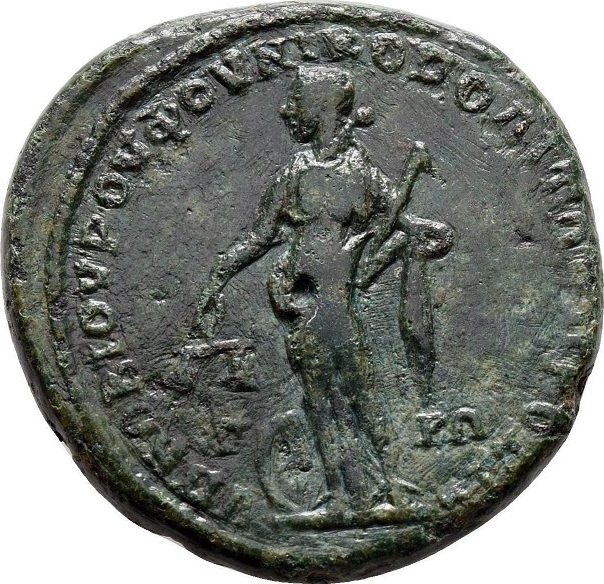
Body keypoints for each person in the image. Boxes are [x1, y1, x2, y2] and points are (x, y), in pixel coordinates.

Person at [192, 65, 452, 512]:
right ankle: (345, 496)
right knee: (323, 400)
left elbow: (398, 219)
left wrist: (430, 233)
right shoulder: (294, 174)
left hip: (338, 305)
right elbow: (258, 238)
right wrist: (217, 280)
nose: (284, 109)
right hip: (304, 305)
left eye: (295, 101)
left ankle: (374, 491)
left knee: (355, 395)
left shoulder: (362, 171)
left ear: (320, 110)